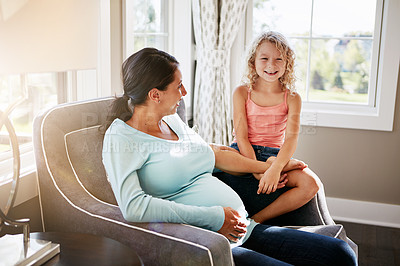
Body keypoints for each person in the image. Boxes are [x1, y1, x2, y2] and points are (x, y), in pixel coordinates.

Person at [102, 47, 357, 265]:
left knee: (341, 254)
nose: (185, 93)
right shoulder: (122, 139)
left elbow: (215, 154)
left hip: (245, 228)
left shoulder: (172, 122)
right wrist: (215, 217)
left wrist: (268, 167)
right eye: (178, 86)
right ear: (154, 95)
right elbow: (133, 207)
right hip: (212, 241)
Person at [217, 31, 319, 223]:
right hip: (242, 152)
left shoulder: (292, 97)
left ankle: (256, 221)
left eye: (279, 59)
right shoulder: (241, 92)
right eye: (264, 58)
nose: (271, 65)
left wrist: (276, 168)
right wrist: (257, 169)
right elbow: (242, 136)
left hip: (274, 154)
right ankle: (272, 164)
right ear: (253, 61)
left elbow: (291, 139)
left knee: (311, 184)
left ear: (287, 63)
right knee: (217, 156)